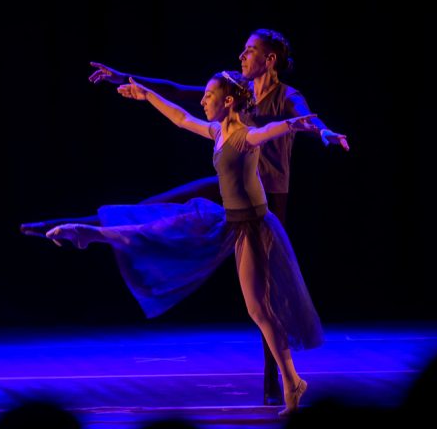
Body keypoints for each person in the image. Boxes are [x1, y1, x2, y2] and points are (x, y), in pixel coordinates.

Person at [23, 29, 347, 405]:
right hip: (231, 197)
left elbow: (289, 122)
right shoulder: (225, 111)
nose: (242, 55)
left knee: (262, 302)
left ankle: (280, 378)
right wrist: (136, 86)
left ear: (269, 59)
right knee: (167, 217)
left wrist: (317, 130)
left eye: (250, 51)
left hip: (263, 204)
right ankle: (87, 227)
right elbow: (179, 104)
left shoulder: (272, 105)